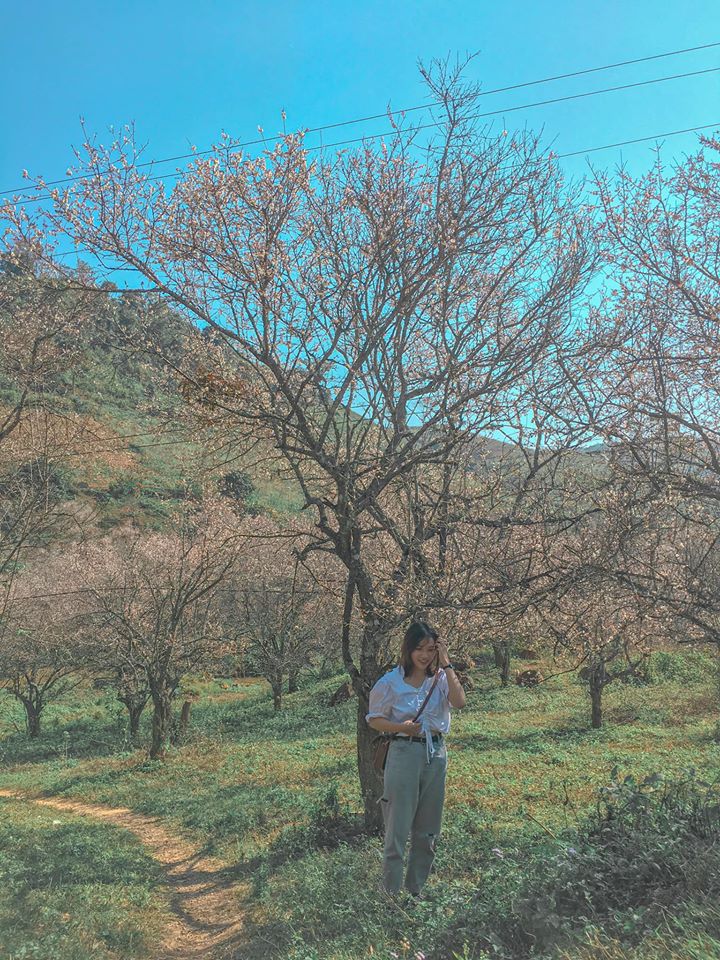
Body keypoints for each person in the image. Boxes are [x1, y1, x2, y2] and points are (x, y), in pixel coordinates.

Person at [366, 621, 466, 898]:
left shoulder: (442, 679)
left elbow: (459, 702)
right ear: (408, 649)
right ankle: (391, 894)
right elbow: (374, 720)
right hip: (403, 752)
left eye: (431, 649)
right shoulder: (391, 682)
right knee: (397, 826)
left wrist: (446, 663)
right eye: (419, 648)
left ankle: (414, 892)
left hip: (436, 753)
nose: (424, 655)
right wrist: (401, 727)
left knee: (429, 829)